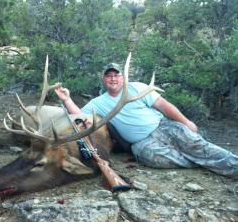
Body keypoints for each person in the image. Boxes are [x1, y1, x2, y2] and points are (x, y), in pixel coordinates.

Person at [54, 62, 238, 178]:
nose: (113, 78)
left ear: (123, 77)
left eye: (116, 75)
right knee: (157, 160)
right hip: (141, 143)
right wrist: (66, 100)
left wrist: (186, 122)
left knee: (197, 145)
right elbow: (80, 116)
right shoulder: (98, 103)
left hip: (163, 127)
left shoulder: (138, 87)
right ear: (104, 79)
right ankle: (207, 162)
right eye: (108, 76)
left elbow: (164, 106)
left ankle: (233, 166)